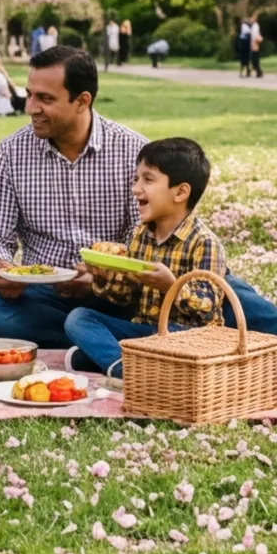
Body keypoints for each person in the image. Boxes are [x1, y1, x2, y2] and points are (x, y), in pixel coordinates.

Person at [0, 46, 277, 387]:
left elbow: (165, 227)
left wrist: (119, 273)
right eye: (29, 95)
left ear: (82, 101)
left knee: (218, 286)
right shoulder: (11, 154)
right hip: (51, 294)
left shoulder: (132, 150)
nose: (30, 107)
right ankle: (156, 350)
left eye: (45, 98)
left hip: (135, 289)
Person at [62, 138, 226, 376]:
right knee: (79, 318)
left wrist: (171, 286)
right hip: (145, 334)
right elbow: (125, 295)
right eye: (136, 179)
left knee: (83, 356)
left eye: (148, 180)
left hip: (188, 340)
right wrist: (103, 275)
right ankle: (129, 369)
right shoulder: (140, 235)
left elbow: (208, 308)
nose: (136, 188)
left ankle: (121, 366)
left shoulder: (204, 243)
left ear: (180, 192)